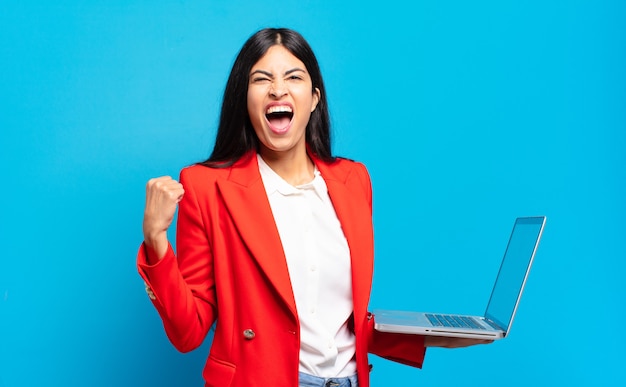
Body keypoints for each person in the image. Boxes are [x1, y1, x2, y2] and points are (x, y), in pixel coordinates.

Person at [138, 27, 490, 387]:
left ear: (314, 98)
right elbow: (188, 332)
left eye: (294, 76)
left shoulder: (353, 181)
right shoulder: (206, 187)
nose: (278, 89)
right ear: (245, 99)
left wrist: (432, 335)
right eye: (262, 79)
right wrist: (155, 241)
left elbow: (335, 321)